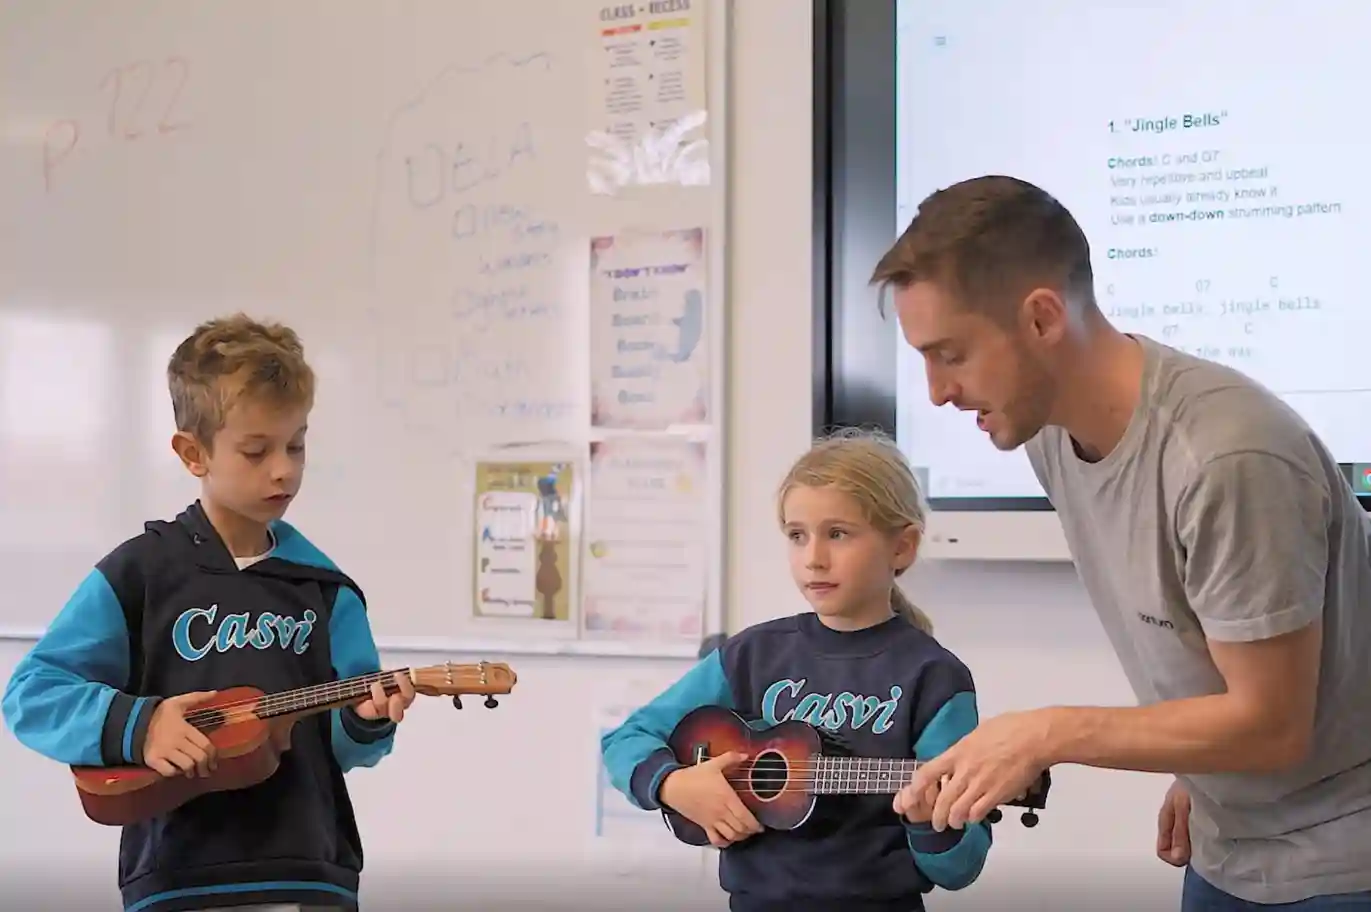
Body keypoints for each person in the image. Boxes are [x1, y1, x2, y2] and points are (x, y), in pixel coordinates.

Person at [873, 175, 1371, 909]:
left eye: (952, 354)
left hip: (1338, 865)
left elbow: (1271, 728)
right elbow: (1228, 655)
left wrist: (1046, 733)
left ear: (1041, 318)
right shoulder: (1047, 431)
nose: (936, 392)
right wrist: (1200, 765)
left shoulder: (1225, 457)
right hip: (1223, 845)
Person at [1, 314, 414, 912]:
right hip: (177, 880)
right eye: (256, 450)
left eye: (296, 444)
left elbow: (348, 750)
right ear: (193, 453)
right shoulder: (140, 574)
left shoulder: (327, 591)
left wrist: (368, 721)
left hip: (307, 875)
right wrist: (142, 726)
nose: (284, 468)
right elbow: (32, 695)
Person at [600, 429, 992, 912]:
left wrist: (929, 820)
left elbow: (959, 868)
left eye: (838, 534)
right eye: (797, 535)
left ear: (902, 547)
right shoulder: (752, 655)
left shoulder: (934, 678)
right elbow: (625, 740)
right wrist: (673, 784)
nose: (814, 559)